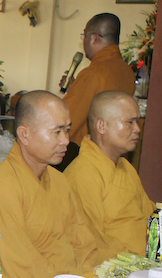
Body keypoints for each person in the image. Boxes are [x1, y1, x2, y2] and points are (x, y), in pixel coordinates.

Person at [0, 91, 97, 278]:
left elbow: (84, 244)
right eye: (56, 132)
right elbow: (16, 267)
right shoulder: (0, 186)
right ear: (24, 134)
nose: (66, 141)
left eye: (67, 130)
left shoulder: (60, 182)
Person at [64, 91, 155, 263]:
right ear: (102, 126)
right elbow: (91, 240)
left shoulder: (126, 168)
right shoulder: (81, 173)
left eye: (137, 121)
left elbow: (151, 217)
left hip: (149, 263)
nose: (137, 128)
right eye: (130, 122)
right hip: (119, 268)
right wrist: (138, 263)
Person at [61, 13, 136, 145]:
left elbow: (66, 122)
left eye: (84, 35)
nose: (83, 41)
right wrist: (76, 88)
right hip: (113, 150)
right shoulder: (127, 71)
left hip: (88, 150)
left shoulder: (93, 73)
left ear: (95, 38)